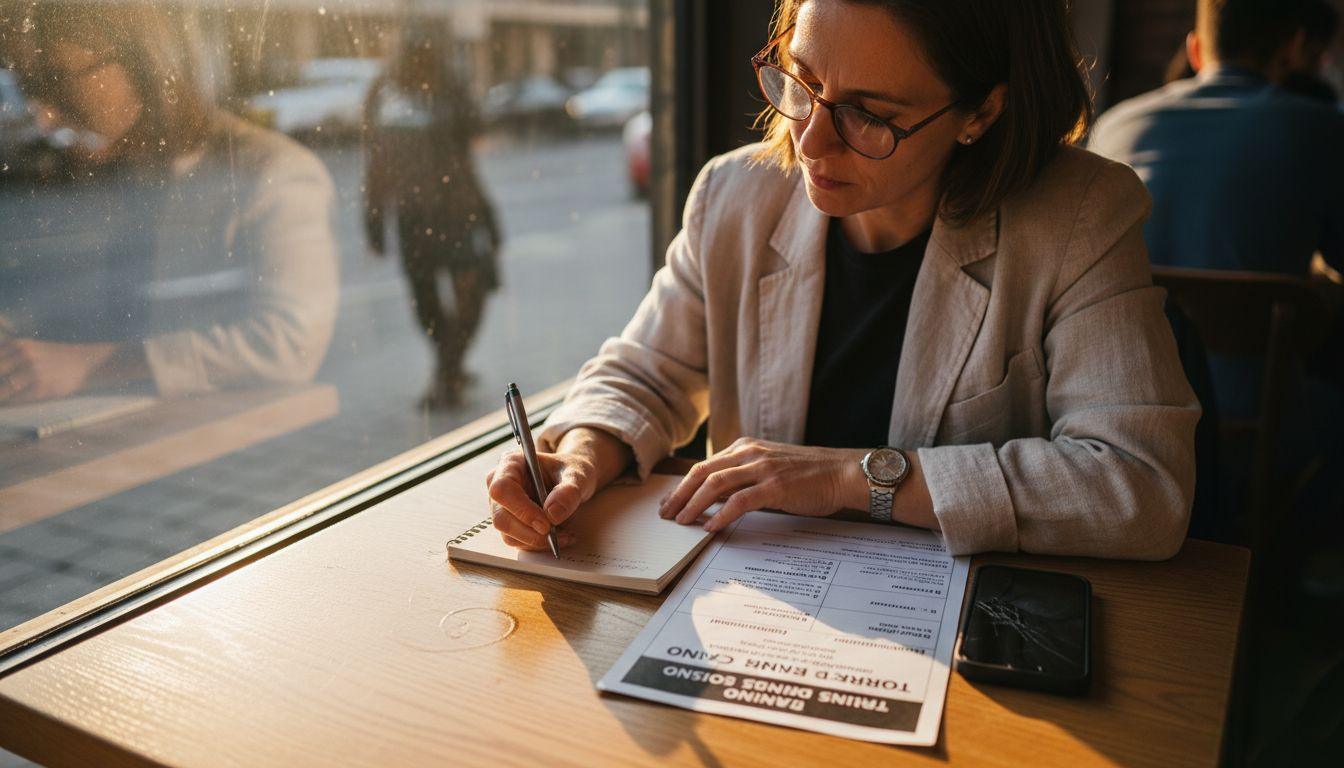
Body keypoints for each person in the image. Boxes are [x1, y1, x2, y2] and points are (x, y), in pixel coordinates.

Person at [487, 0, 1199, 560]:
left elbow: (1141, 485)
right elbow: (648, 375)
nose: (809, 140)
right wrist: (580, 454)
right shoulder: (735, 196)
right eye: (803, 81)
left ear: (981, 113)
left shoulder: (1078, 217)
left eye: (867, 114)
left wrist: (848, 478)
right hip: (764, 607)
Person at [0, 3, 339, 405]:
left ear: (142, 63)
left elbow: (290, 343)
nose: (44, 115)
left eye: (59, 82)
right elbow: (71, 299)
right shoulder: (110, 175)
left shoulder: (269, 172)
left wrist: (90, 366)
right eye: (28, 88)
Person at [364, 34, 502, 409]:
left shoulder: (387, 92)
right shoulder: (431, 90)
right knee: (462, 295)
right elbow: (472, 142)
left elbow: (375, 168)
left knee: (432, 299)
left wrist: (374, 224)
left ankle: (448, 366)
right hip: (452, 211)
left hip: (422, 215)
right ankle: (449, 367)